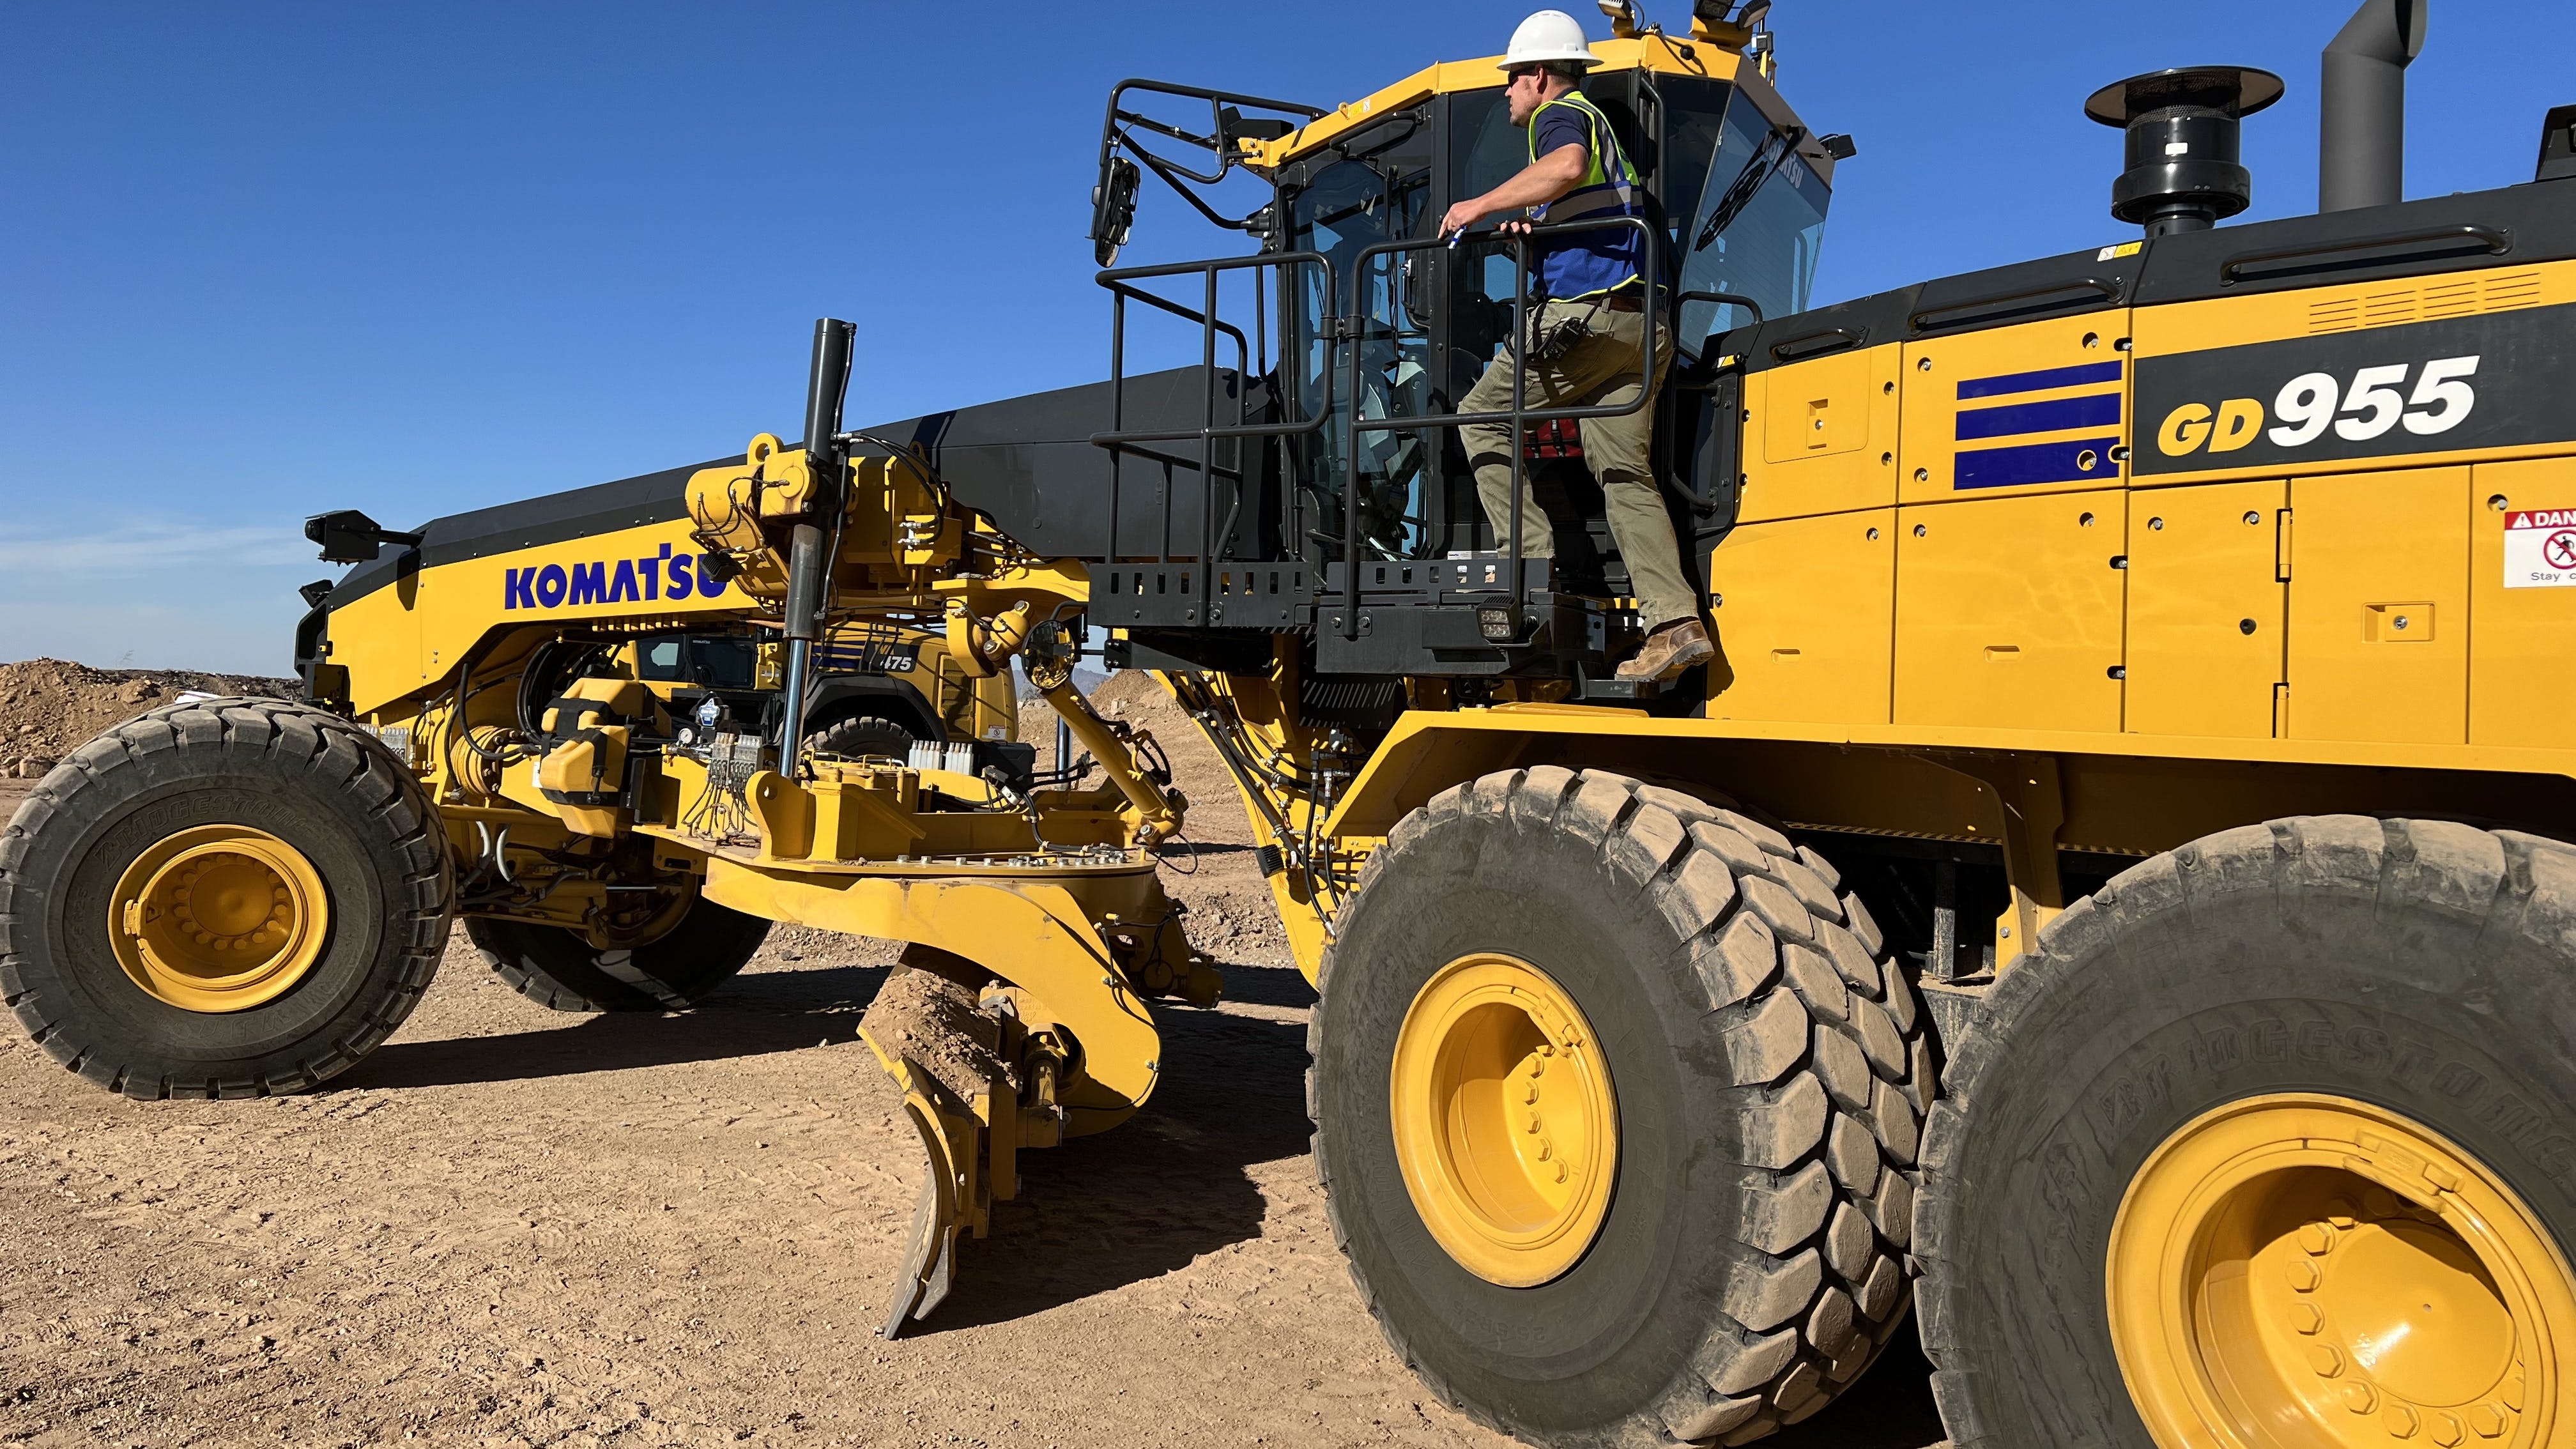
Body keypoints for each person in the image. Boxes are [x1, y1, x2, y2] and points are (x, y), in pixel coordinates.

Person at [1438, 10, 1712, 683]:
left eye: (1511, 80)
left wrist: (1473, 207)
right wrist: (1539, 227)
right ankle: (1675, 623)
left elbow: (1565, 166)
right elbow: (1590, 203)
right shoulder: (1608, 144)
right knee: (1619, 467)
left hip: (1586, 322)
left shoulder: (1560, 118)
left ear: (1538, 76)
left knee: (1477, 416)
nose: (1507, 92)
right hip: (1640, 331)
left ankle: (1526, 572)